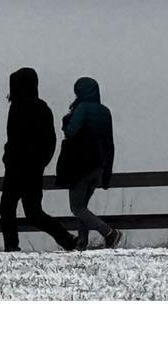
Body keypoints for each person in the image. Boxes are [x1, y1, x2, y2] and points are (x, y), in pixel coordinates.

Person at [0, 67, 78, 252]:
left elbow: (14, 139)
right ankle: (66, 239)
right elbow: (50, 140)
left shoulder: (17, 107)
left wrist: (9, 156)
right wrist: (41, 162)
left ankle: (12, 246)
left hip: (17, 168)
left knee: (8, 208)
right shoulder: (42, 108)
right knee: (33, 212)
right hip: (33, 169)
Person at [57, 76, 122, 250]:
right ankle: (82, 243)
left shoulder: (82, 108)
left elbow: (71, 132)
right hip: (99, 166)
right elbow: (110, 143)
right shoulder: (105, 111)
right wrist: (107, 171)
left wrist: (66, 121)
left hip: (81, 165)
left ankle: (109, 233)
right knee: (83, 207)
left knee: (77, 207)